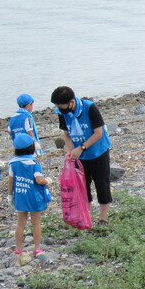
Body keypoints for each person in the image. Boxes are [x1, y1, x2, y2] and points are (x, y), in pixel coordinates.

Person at [51, 86, 113, 224]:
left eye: (62, 106)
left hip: (98, 151)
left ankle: (103, 219)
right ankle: (86, 216)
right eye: (58, 107)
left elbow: (98, 133)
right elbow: (67, 134)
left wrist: (82, 147)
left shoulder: (89, 108)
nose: (60, 109)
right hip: (80, 155)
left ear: (71, 102)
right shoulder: (62, 112)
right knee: (83, 186)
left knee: (102, 184)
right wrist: (70, 150)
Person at [8, 133, 52, 256]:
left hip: (20, 196)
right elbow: (39, 180)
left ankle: (18, 249)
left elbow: (11, 181)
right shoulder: (34, 163)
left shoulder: (13, 163)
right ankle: (37, 248)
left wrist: (10, 195)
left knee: (20, 223)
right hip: (34, 197)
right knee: (36, 223)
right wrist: (47, 180)